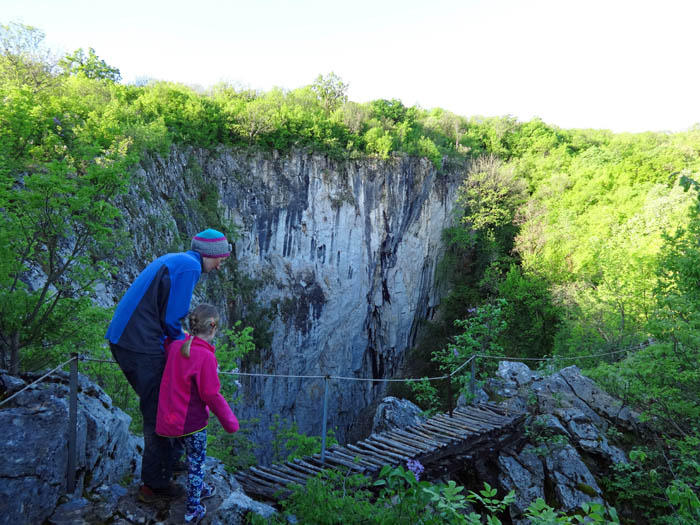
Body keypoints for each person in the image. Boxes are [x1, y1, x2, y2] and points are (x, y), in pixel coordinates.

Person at [105, 228, 232, 503]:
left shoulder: (177, 260)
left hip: (128, 339)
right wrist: (190, 353)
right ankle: (154, 485)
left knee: (165, 402)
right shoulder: (189, 267)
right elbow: (173, 319)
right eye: (221, 257)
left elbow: (167, 319)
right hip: (139, 343)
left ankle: (169, 463)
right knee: (159, 409)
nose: (221, 264)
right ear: (209, 254)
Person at [157, 303, 239, 523]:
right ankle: (193, 509)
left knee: (188, 456)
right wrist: (230, 422)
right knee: (196, 463)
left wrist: (182, 335)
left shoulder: (176, 345)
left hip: (170, 417)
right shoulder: (206, 358)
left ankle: (198, 487)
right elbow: (211, 395)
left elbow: (167, 342)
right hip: (192, 422)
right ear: (213, 328)